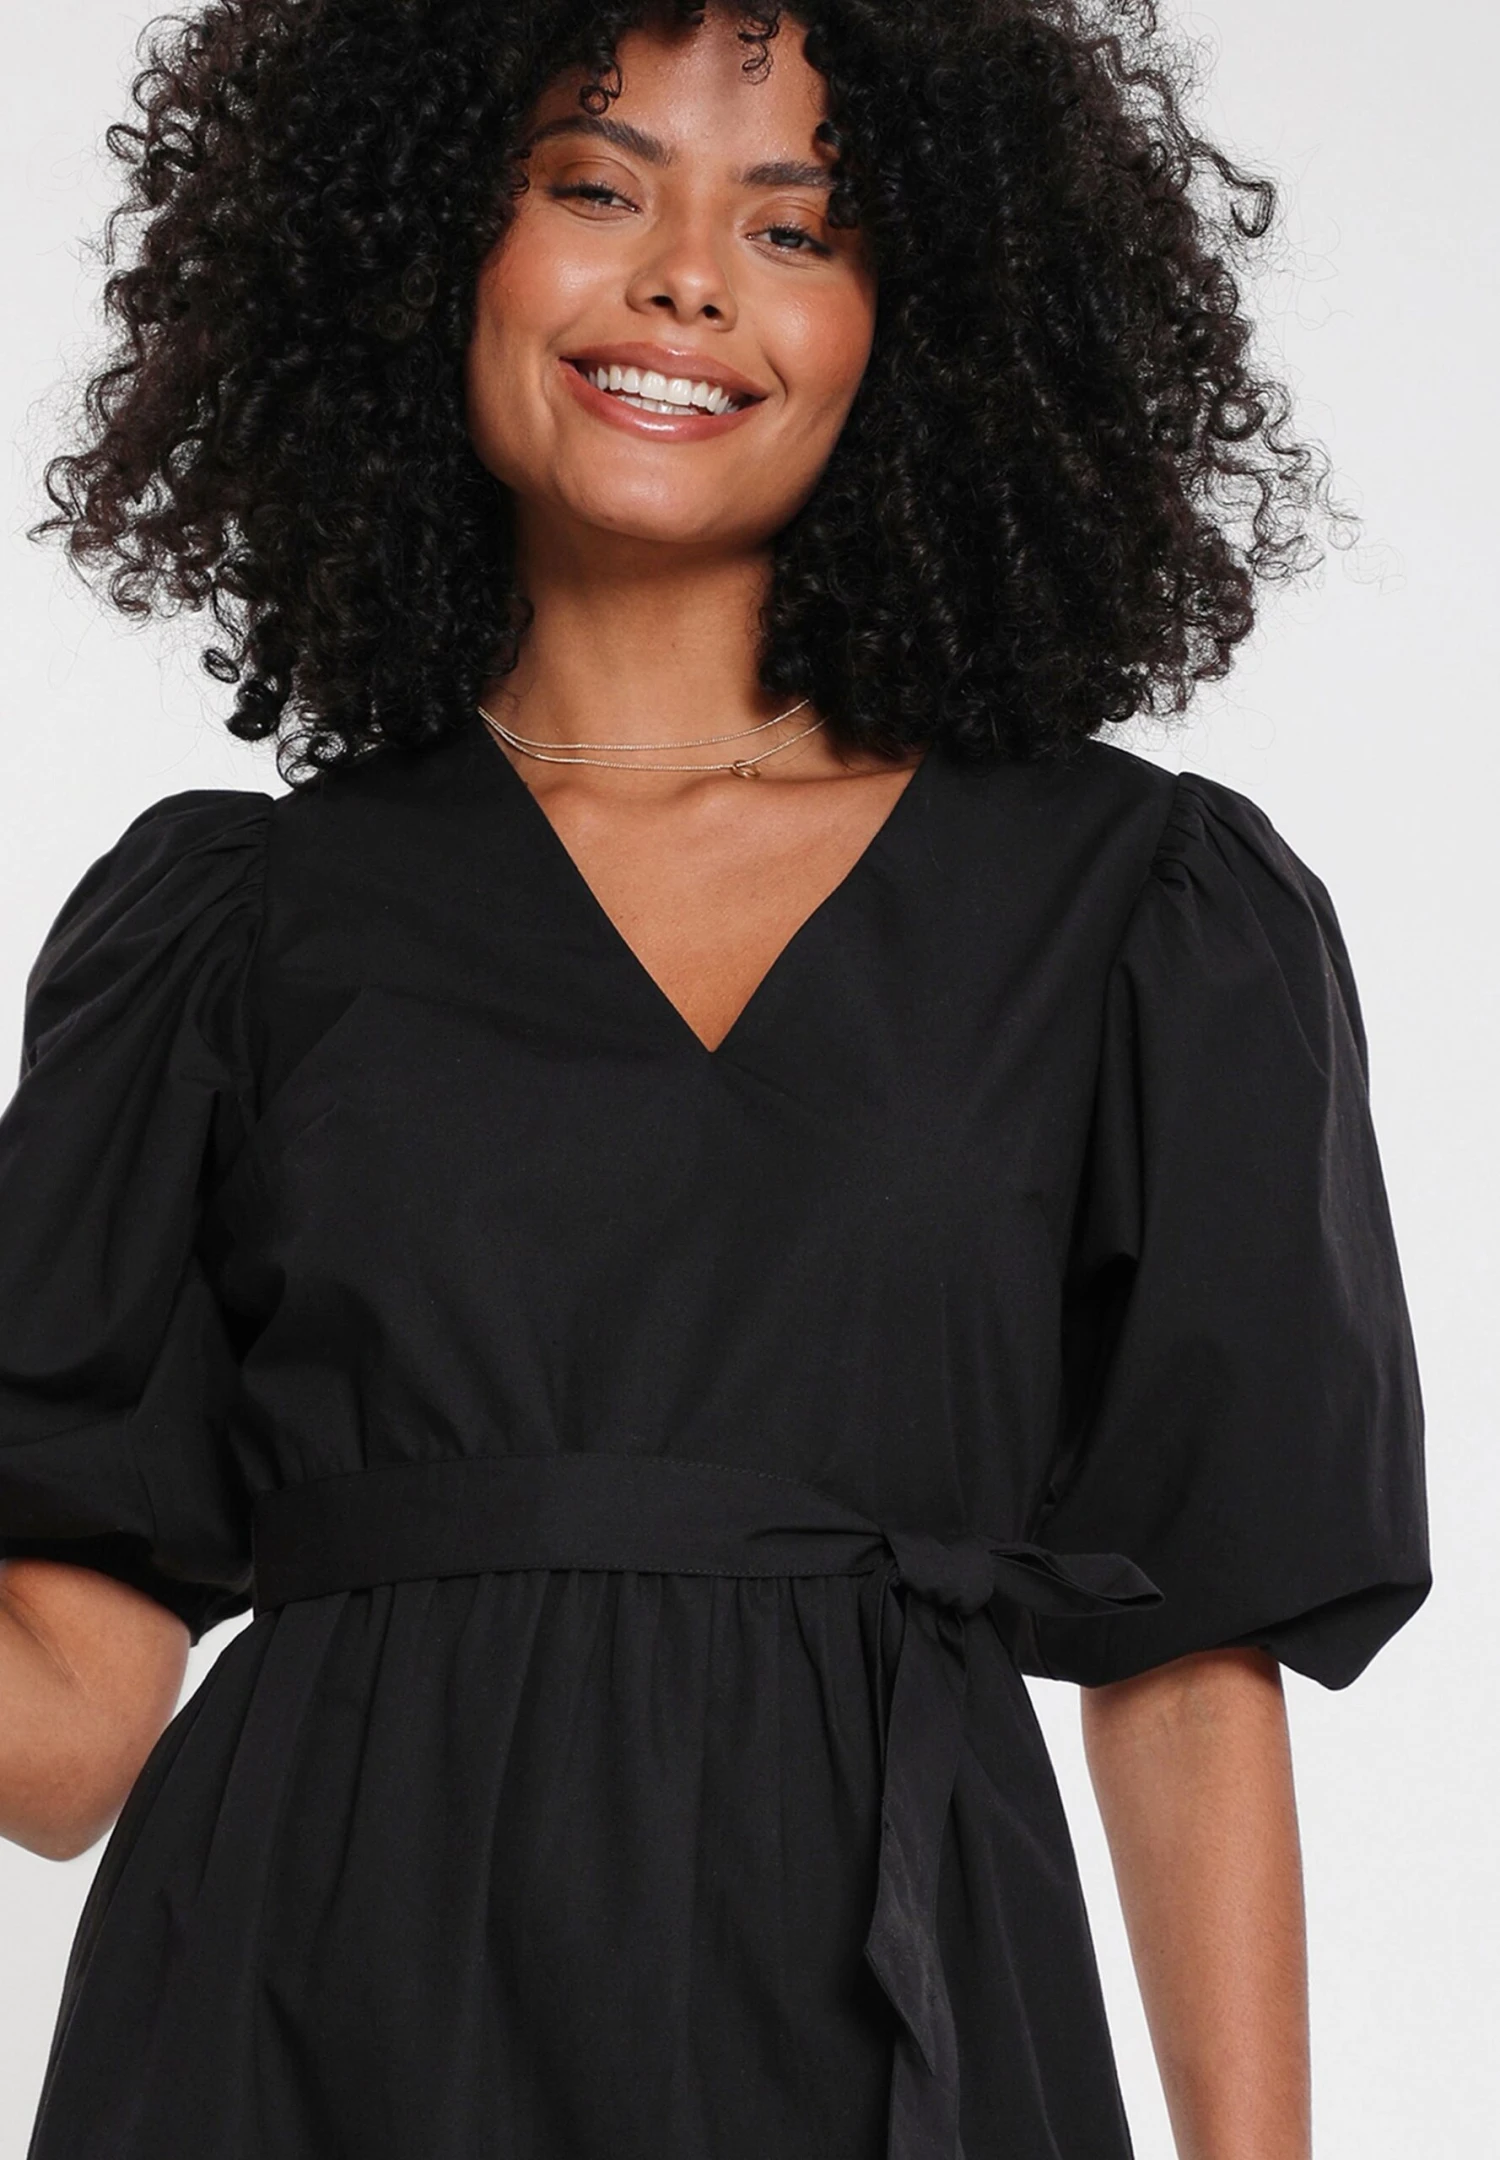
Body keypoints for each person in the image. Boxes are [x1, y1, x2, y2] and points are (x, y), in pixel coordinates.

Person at [0, 2, 1428, 2157]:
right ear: (428, 253)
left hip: (892, 2016)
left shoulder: (1139, 907)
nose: (685, 281)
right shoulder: (233, 924)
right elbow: (69, 1740)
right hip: (304, 2029)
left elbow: (1188, 1657)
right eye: (596, 186)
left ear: (917, 330)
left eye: (795, 227)